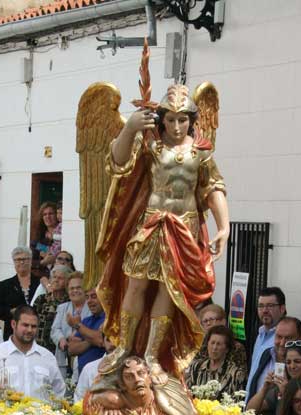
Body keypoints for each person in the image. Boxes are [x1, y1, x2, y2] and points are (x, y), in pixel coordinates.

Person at [96, 84, 229, 379]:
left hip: (184, 227)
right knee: (136, 285)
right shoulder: (151, 145)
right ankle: (123, 347)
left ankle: (152, 355)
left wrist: (224, 226)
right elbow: (117, 163)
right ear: (162, 119)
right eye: (171, 120)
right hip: (151, 223)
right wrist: (130, 128)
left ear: (192, 120)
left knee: (169, 293)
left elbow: (213, 187)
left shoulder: (200, 152)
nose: (177, 126)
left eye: (183, 120)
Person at [0, 305, 65, 405]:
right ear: (13, 324)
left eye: (34, 326)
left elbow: (59, 390)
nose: (30, 330)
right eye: (25, 325)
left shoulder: (47, 357)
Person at [83, 354, 198, 415]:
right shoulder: (111, 413)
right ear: (122, 384)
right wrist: (100, 399)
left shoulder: (165, 401)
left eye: (141, 373)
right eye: (129, 376)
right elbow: (89, 408)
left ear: (150, 376)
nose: (137, 380)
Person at [246, 317, 301, 415]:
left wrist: (287, 393)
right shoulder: (266, 354)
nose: (282, 343)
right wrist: (265, 388)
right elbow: (249, 411)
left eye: (288, 338)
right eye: (279, 337)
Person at [245, 287, 287, 402]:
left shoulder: (287, 338)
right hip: (252, 407)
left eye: (270, 306)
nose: (265, 310)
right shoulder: (260, 335)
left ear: (282, 308)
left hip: (269, 407)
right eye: (261, 306)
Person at [0, 249, 42, 340]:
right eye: (18, 260)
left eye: (25, 259)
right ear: (14, 262)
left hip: (37, 331)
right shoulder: (5, 285)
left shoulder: (40, 283)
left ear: (31, 261)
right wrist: (11, 311)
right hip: (13, 332)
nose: (22, 262)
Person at [185, 324, 247, 396]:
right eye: (212, 343)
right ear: (207, 344)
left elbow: (235, 401)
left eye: (219, 344)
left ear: (226, 349)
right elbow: (188, 392)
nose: (214, 348)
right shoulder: (196, 367)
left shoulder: (235, 374)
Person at [51, 271, 91, 377]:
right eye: (71, 288)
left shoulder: (91, 308)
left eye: (78, 287)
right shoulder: (62, 307)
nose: (75, 291)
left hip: (84, 355)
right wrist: (61, 340)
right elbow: (55, 329)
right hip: (63, 357)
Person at [65, 287, 105, 376]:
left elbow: (100, 340)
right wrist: (91, 340)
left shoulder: (109, 319)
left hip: (101, 376)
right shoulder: (86, 321)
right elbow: (71, 349)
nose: (89, 301)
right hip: (82, 377)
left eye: (94, 297)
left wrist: (78, 326)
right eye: (87, 297)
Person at [33, 266, 70, 353]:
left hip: (59, 348)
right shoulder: (41, 299)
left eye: (60, 278)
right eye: (54, 277)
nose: (56, 280)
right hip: (39, 346)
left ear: (67, 282)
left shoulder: (69, 302)